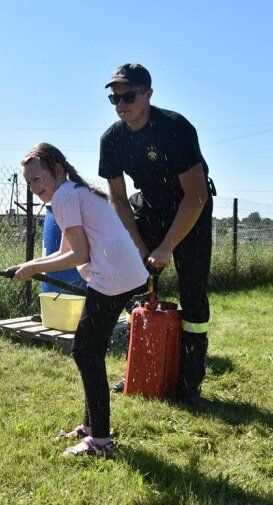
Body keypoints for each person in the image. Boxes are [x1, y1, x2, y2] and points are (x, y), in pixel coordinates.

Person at [10, 143, 148, 458]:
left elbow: (79, 255)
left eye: (38, 178)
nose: (35, 188)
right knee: (90, 352)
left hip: (111, 278)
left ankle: (100, 442)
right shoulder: (73, 191)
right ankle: (90, 428)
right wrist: (31, 266)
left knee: (86, 353)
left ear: (57, 168)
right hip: (123, 274)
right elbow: (69, 249)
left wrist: (33, 266)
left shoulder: (65, 197)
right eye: (30, 183)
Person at [99, 63, 214, 406]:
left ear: (148, 94)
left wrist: (165, 248)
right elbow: (117, 198)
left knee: (193, 293)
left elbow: (196, 196)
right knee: (135, 281)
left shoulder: (175, 128)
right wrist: (137, 245)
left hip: (188, 208)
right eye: (114, 98)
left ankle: (190, 380)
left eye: (129, 96)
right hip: (149, 206)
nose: (121, 104)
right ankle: (141, 367)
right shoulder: (112, 138)